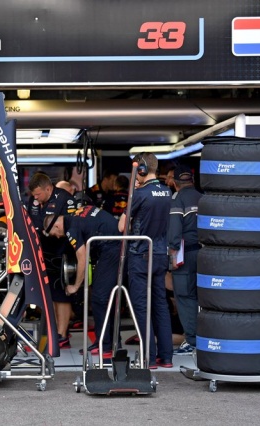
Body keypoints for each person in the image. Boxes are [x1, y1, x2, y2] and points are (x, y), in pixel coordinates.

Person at [118, 152, 173, 369]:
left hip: (140, 254)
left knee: (141, 307)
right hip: (160, 254)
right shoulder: (167, 191)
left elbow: (122, 226)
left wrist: (132, 195)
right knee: (160, 305)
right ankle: (166, 357)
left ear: (140, 169)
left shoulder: (139, 194)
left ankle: (148, 357)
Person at [44, 205, 121, 358]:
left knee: (99, 298)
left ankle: (105, 345)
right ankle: (112, 342)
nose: (58, 237)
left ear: (57, 225)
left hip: (111, 248)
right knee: (107, 298)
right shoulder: (77, 213)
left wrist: (75, 286)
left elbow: (82, 258)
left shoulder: (71, 229)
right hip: (115, 243)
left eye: (54, 234)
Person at [27, 173, 77, 348]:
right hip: (42, 254)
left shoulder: (65, 199)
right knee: (50, 295)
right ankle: (55, 331)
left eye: (38, 194)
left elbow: (72, 226)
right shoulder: (33, 200)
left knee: (61, 295)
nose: (35, 198)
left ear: (48, 189)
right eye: (34, 195)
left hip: (62, 253)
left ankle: (63, 334)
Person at [168, 165, 203, 356]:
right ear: (193, 180)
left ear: (175, 183)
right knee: (202, 296)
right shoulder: (203, 198)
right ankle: (205, 338)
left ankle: (192, 341)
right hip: (206, 254)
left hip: (185, 254)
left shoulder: (177, 200)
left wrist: (173, 254)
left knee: (184, 296)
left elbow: (174, 229)